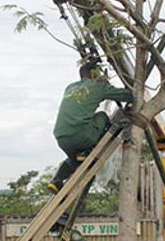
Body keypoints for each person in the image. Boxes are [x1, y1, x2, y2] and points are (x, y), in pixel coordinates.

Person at [47, 61, 133, 193]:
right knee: (102, 116)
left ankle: (57, 180)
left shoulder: (70, 87)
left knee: (74, 160)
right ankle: (89, 149)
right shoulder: (97, 86)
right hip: (82, 136)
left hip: (61, 137)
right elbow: (129, 96)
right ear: (94, 74)